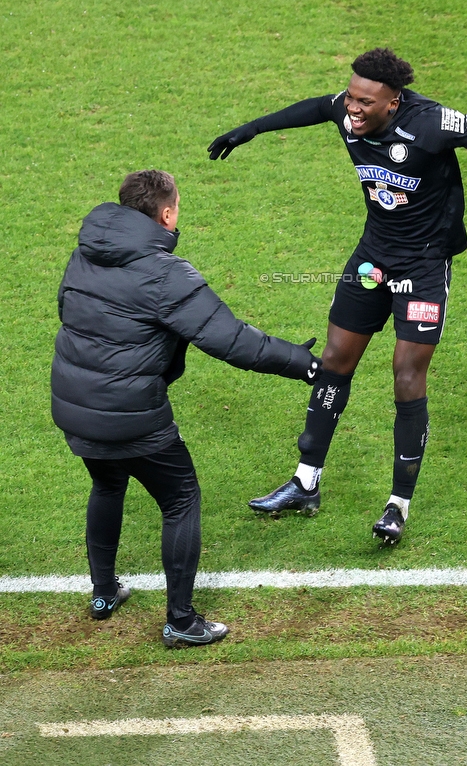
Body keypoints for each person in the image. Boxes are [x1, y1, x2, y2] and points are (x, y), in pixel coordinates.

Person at [208, 48, 467, 546]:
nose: (352, 109)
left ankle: (397, 506)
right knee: (335, 360)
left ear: (394, 102)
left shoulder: (433, 124)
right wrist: (250, 129)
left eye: (365, 102)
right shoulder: (346, 108)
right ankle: (305, 482)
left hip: (424, 265)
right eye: (351, 98)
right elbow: (315, 108)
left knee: (406, 374)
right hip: (372, 258)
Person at [52, 170, 321, 646]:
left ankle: (102, 593)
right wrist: (302, 362)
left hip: (75, 406)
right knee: (181, 499)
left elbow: (68, 310)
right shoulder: (166, 274)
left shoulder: (84, 253)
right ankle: (180, 622)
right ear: (167, 213)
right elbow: (232, 341)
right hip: (132, 414)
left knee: (107, 482)